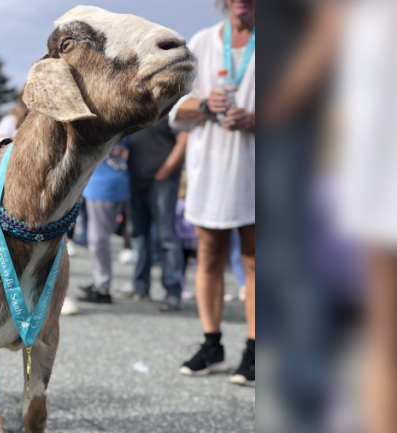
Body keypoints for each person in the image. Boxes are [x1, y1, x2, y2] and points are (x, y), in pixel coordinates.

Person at [169, 0, 255, 385]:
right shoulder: (202, 43)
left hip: (255, 166)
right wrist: (204, 103)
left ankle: (255, 350)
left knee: (254, 260)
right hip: (211, 168)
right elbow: (174, 110)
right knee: (208, 255)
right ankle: (212, 344)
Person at [112, 120, 187, 312]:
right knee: (138, 235)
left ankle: (172, 292)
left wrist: (166, 170)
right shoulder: (140, 107)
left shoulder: (171, 109)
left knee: (166, 237)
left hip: (162, 181)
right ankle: (140, 287)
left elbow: (184, 139)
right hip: (137, 178)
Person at [77, 140, 130, 304]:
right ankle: (100, 283)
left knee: (98, 240)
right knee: (100, 237)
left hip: (102, 186)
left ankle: (102, 287)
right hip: (116, 180)